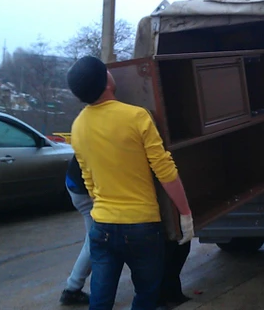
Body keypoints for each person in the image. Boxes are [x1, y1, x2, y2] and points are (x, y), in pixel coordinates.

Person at [67, 55, 194, 310]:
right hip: (142, 227)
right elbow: (165, 171)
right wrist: (186, 213)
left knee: (100, 301)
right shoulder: (137, 116)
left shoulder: (78, 125)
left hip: (102, 226)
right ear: (107, 82)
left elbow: (89, 179)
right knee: (147, 294)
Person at [59, 155, 93, 306]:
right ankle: (72, 289)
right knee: (95, 240)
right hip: (84, 190)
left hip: (76, 183)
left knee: (96, 239)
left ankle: (73, 288)